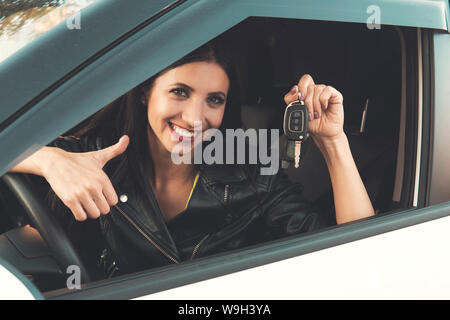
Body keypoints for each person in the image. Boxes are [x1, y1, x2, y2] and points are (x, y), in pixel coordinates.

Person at [9, 38, 374, 280]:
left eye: (214, 99)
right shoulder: (95, 153)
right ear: (144, 93)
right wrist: (47, 160)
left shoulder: (253, 177)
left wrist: (332, 140)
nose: (196, 117)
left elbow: (361, 256)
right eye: (179, 92)